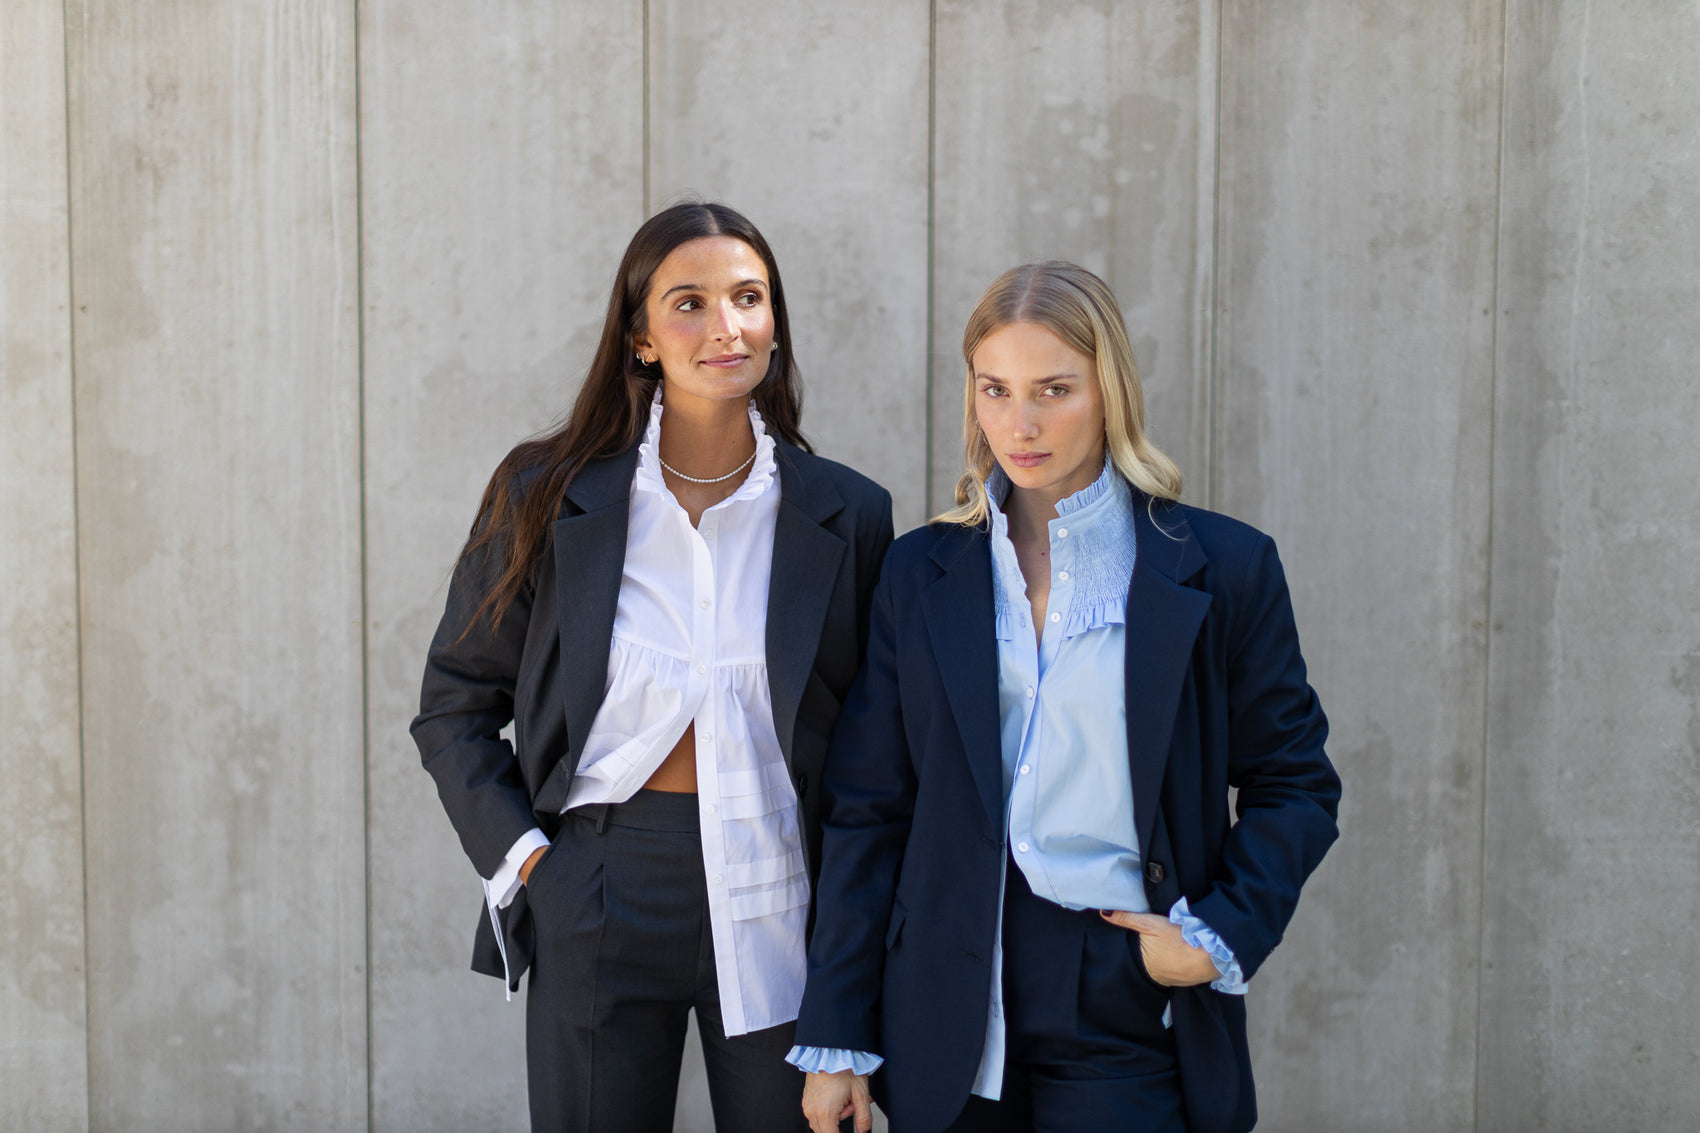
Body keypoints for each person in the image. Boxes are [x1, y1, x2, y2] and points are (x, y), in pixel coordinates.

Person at [791, 262, 1340, 1133]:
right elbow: (868, 809)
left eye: (1054, 389)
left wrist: (1218, 933)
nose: (1023, 423)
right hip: (948, 991)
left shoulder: (1224, 569)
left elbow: (1295, 782)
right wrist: (836, 1032)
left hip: (1125, 981)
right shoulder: (919, 572)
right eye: (996, 390)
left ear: (1109, 390)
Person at [412, 201, 894, 1133]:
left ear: (775, 321)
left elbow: (874, 760)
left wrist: (851, 953)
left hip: (781, 889)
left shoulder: (847, 514)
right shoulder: (547, 495)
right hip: (599, 880)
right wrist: (534, 867)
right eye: (690, 303)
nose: (727, 326)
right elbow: (454, 707)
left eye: (748, 298)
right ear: (640, 337)